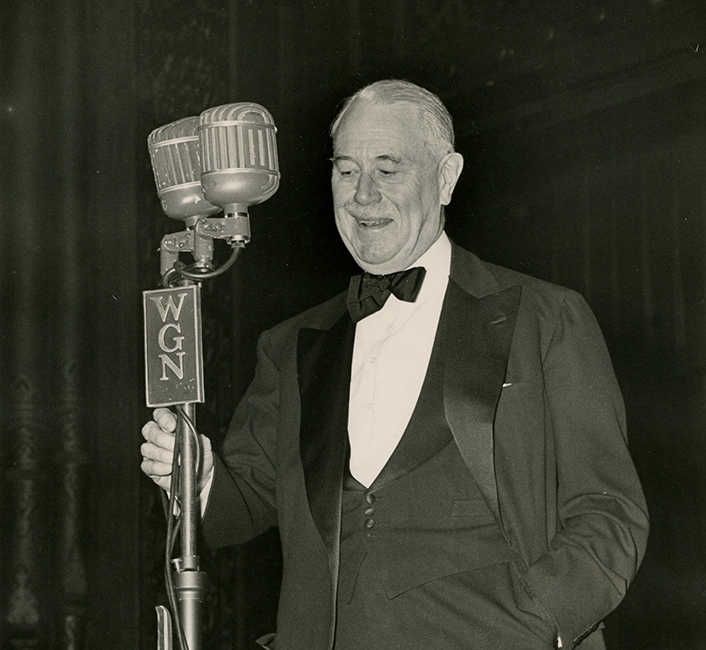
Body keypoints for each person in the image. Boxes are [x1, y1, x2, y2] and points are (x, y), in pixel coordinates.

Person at [141, 79, 649, 650]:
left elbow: (610, 513)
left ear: (447, 177)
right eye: (346, 170)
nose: (362, 196)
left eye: (388, 169)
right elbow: (240, 508)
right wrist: (198, 478)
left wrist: (541, 623)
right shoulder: (289, 346)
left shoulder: (547, 318)